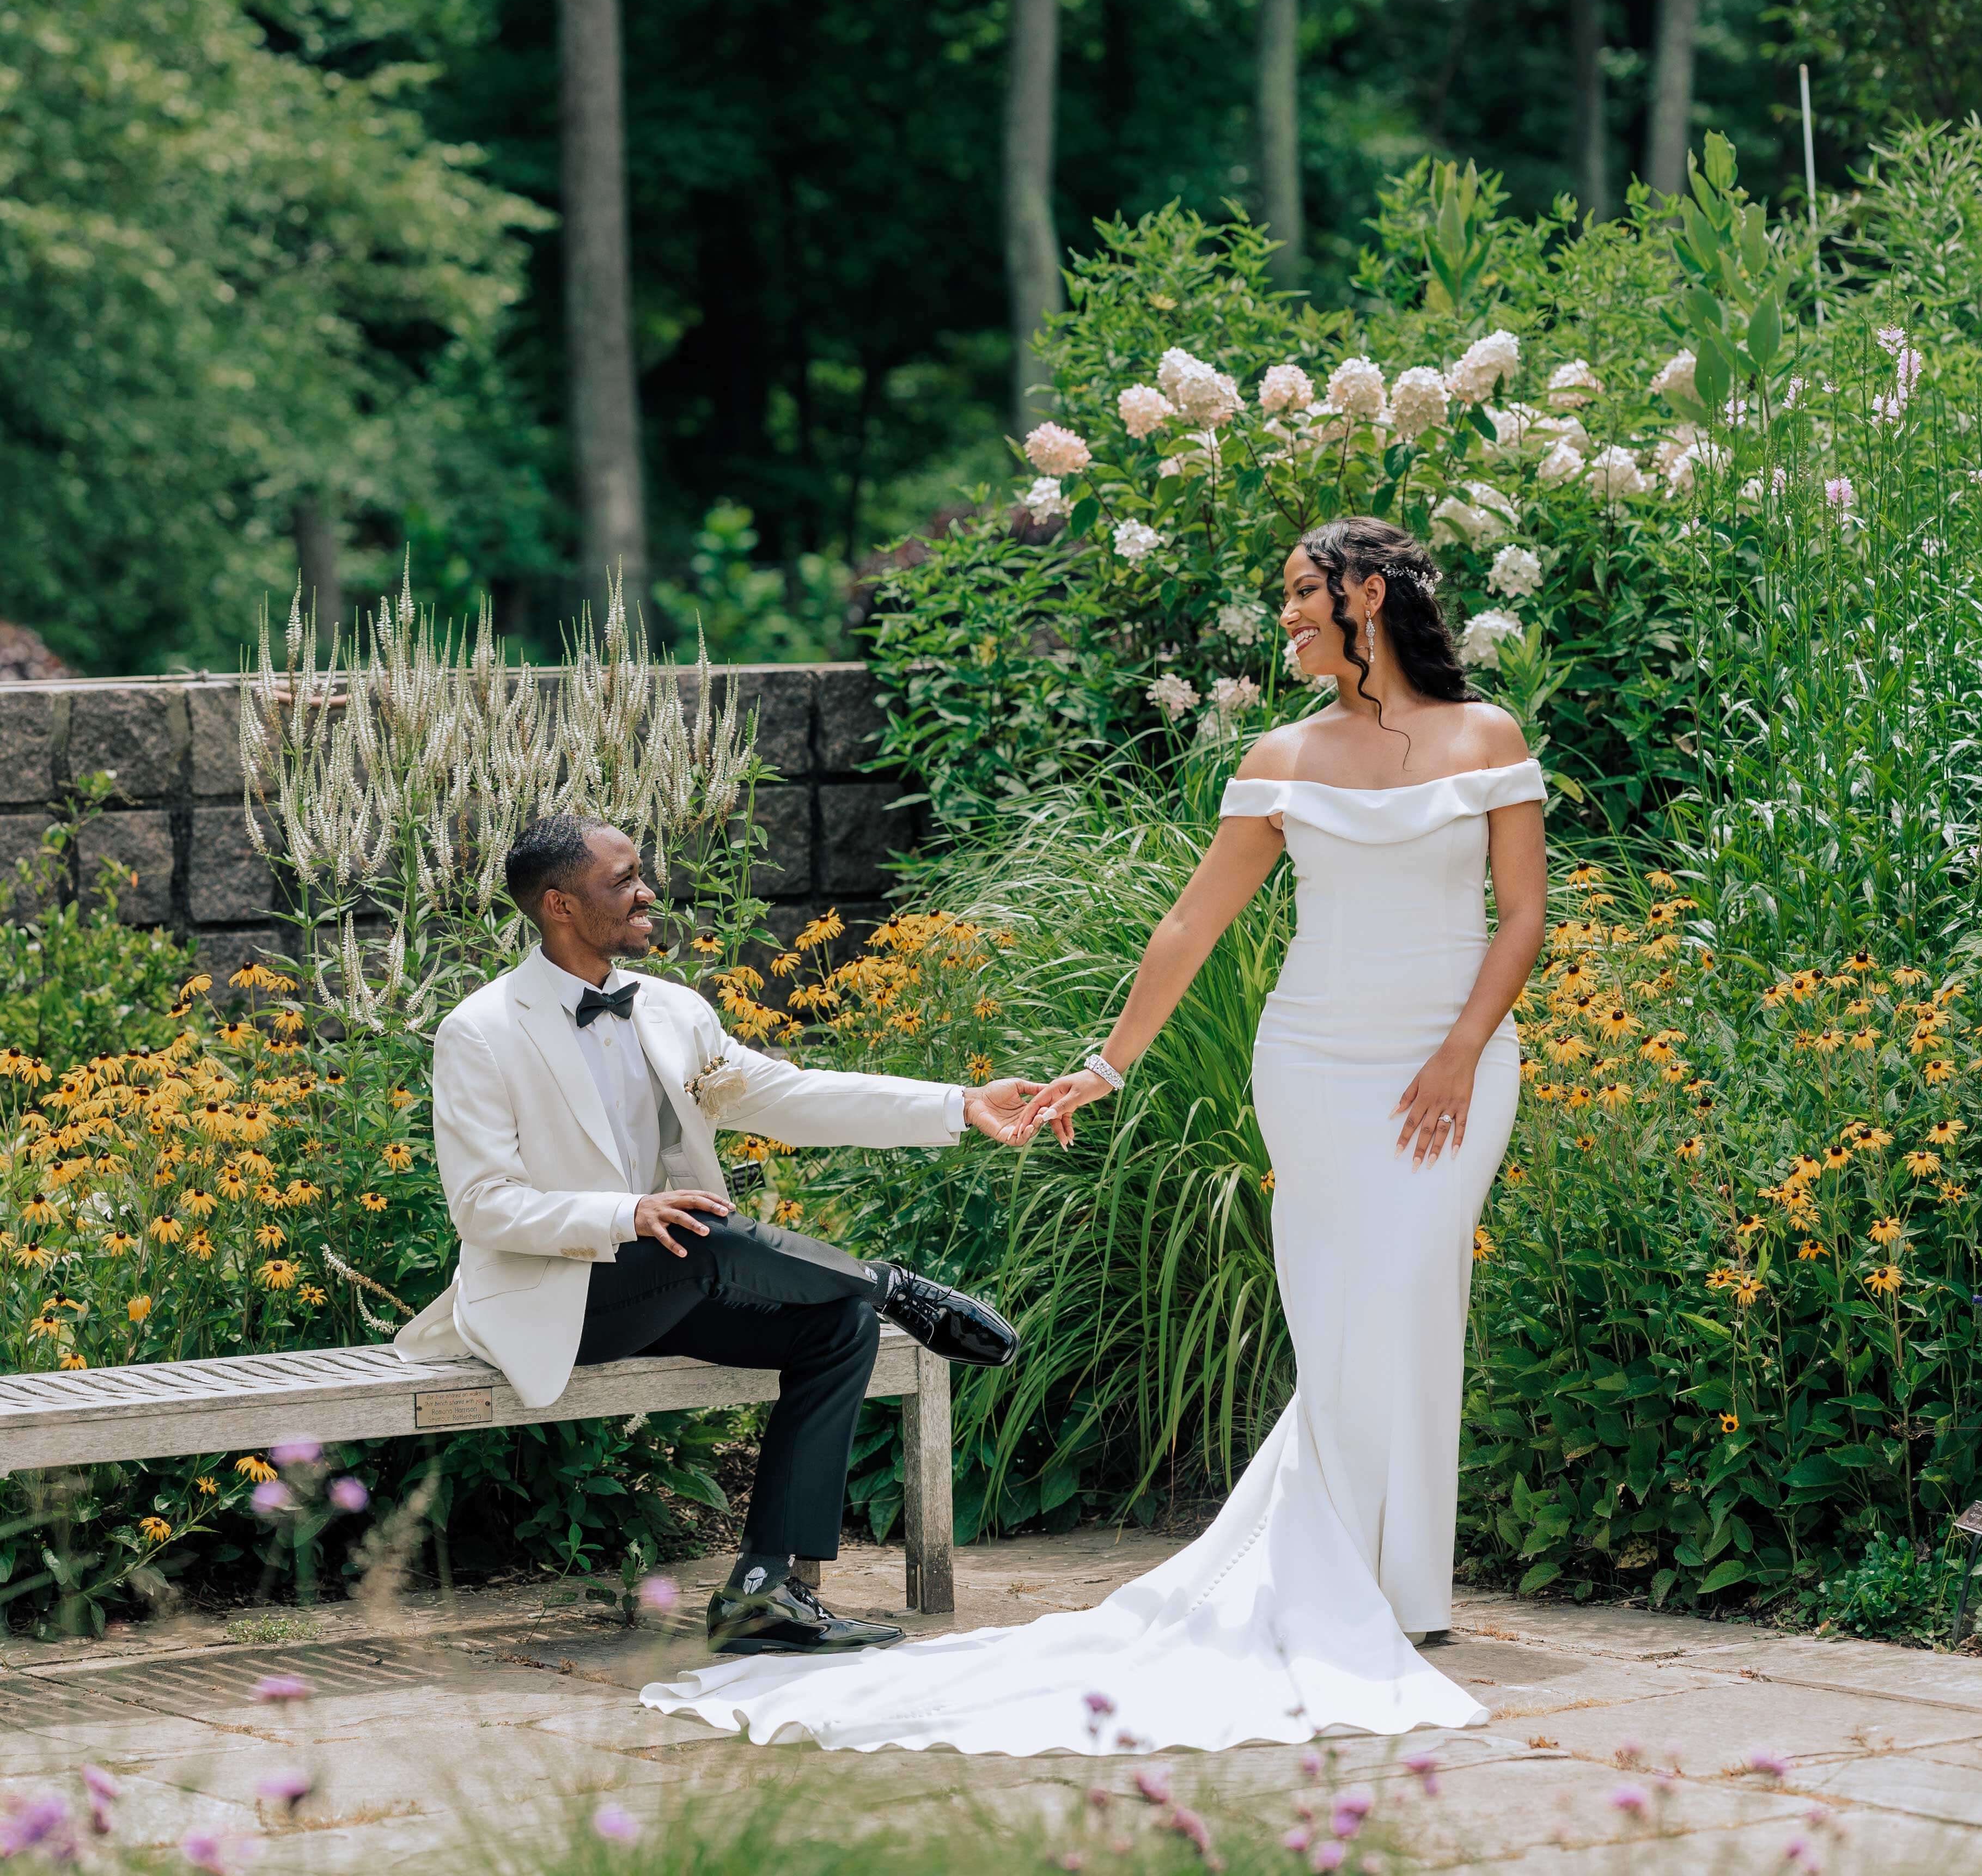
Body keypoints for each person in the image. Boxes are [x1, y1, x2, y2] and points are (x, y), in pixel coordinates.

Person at [641, 515, 1547, 1752]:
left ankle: (1402, 1588)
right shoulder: (1282, 755)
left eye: (1298, 592)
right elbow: (1190, 926)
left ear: (1366, 594)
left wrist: (1456, 1053)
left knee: (1419, 1286)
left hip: (1458, 1061)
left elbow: (1523, 919)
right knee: (1341, 1307)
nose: (1284, 613)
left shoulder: (1487, 737)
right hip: (1318, 1064)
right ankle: (1368, 1590)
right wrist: (1105, 1066)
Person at [395, 813, 1045, 1658]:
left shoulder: (671, 1009)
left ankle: (762, 1593)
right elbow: (482, 1206)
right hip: (556, 1296)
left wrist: (956, 1103)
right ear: (558, 904)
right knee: (701, 1232)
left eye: (641, 874)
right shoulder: (481, 1030)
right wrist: (624, 1214)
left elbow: (790, 1095)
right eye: (622, 881)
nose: (647, 893)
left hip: (672, 1277)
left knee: (836, 1328)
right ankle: (893, 1288)